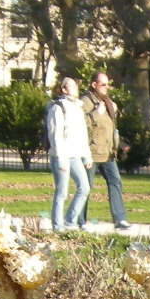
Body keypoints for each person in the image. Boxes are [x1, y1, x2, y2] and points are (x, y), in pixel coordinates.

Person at [45, 77, 92, 231]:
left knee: (84, 187)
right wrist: (61, 159)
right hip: (61, 156)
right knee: (62, 192)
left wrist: (87, 156)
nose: (75, 89)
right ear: (64, 89)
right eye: (71, 86)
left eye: (75, 86)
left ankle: (70, 221)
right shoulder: (57, 108)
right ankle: (57, 226)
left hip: (75, 155)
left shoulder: (78, 107)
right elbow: (55, 135)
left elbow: (82, 134)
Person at [87, 73, 132, 231]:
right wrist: (96, 113)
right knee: (85, 187)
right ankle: (79, 220)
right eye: (103, 85)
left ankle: (119, 219)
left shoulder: (108, 103)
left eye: (107, 84)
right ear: (94, 85)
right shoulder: (86, 102)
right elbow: (83, 124)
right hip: (91, 152)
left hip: (107, 152)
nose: (107, 88)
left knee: (115, 182)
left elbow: (111, 129)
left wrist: (119, 145)